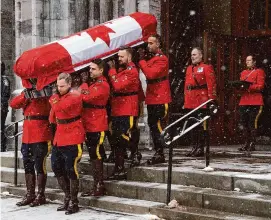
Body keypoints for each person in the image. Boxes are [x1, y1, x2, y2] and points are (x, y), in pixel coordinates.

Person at [10, 86, 53, 207]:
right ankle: (30, 194)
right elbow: (14, 104)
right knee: (27, 165)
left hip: (41, 133)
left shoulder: (46, 92)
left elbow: (50, 107)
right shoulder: (27, 93)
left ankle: (41, 195)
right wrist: (26, 95)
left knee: (40, 165)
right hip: (27, 135)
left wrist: (38, 94)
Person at [49, 73, 85, 215]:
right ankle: (67, 196)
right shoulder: (59, 97)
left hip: (73, 135)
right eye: (57, 86)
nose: (59, 88)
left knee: (71, 169)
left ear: (69, 84)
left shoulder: (75, 95)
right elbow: (53, 116)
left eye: (62, 86)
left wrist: (53, 98)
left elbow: (59, 108)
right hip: (60, 135)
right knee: (56, 167)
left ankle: (74, 202)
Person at [138, 34, 172, 165]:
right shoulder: (151, 59)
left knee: (156, 125)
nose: (148, 46)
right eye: (148, 43)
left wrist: (141, 61)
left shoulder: (162, 59)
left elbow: (151, 74)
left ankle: (160, 152)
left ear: (158, 44)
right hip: (152, 97)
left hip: (160, 97)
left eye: (151, 43)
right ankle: (158, 151)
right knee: (152, 125)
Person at [107, 46, 140, 180]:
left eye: (122, 56)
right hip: (118, 109)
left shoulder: (132, 71)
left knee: (122, 138)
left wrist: (112, 70)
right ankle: (120, 167)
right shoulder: (123, 70)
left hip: (127, 109)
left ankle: (125, 163)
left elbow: (118, 85)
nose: (119, 59)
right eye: (118, 56)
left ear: (129, 57)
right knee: (116, 139)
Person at [80, 59, 110, 197]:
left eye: (93, 69)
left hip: (97, 123)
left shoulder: (102, 85)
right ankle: (97, 184)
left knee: (96, 154)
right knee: (93, 154)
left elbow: (87, 97)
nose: (90, 71)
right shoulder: (94, 84)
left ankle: (99, 184)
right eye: (90, 69)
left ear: (101, 70)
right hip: (90, 123)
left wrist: (84, 84)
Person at [184, 47, 217, 157]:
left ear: (201, 56)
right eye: (191, 55)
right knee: (192, 125)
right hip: (191, 100)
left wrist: (211, 99)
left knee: (201, 126)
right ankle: (194, 147)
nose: (192, 57)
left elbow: (211, 85)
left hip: (201, 100)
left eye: (195, 55)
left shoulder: (206, 67)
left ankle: (201, 148)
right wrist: (185, 100)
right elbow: (186, 86)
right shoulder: (189, 68)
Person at [237, 55, 265, 152]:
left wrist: (248, 87)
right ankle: (246, 143)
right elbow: (241, 86)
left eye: (249, 60)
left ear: (254, 62)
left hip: (255, 101)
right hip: (244, 101)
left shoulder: (259, 71)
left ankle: (252, 143)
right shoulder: (243, 72)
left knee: (252, 122)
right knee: (244, 123)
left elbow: (260, 86)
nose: (247, 62)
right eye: (246, 60)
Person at [1, 61, 11, 152]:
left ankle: (2, 146)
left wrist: (2, 104)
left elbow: (5, 94)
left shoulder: (4, 80)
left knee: (1, 127)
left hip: (1, 107)